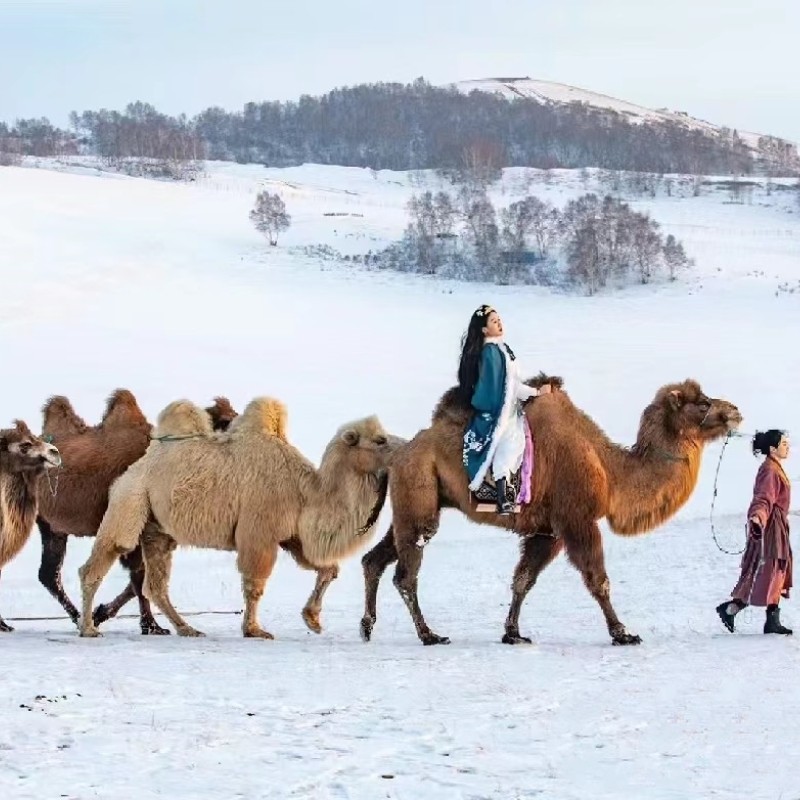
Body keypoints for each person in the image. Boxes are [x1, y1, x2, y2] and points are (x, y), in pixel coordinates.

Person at [459, 304, 551, 515]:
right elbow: (501, 387)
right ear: (484, 329)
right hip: (499, 411)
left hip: (509, 406)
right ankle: (503, 495)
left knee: (517, 439)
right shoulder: (491, 353)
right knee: (510, 440)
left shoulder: (501, 349)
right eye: (493, 321)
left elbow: (511, 384)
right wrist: (535, 394)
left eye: (499, 319)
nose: (499, 323)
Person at [716, 429, 793, 635]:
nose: (788, 447)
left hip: (776, 526)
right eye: (784, 444)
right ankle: (731, 609)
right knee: (766, 571)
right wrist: (758, 517)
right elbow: (763, 497)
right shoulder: (770, 470)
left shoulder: (775, 468)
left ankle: (770, 620)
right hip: (769, 528)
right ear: (772, 449)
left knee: (776, 571)